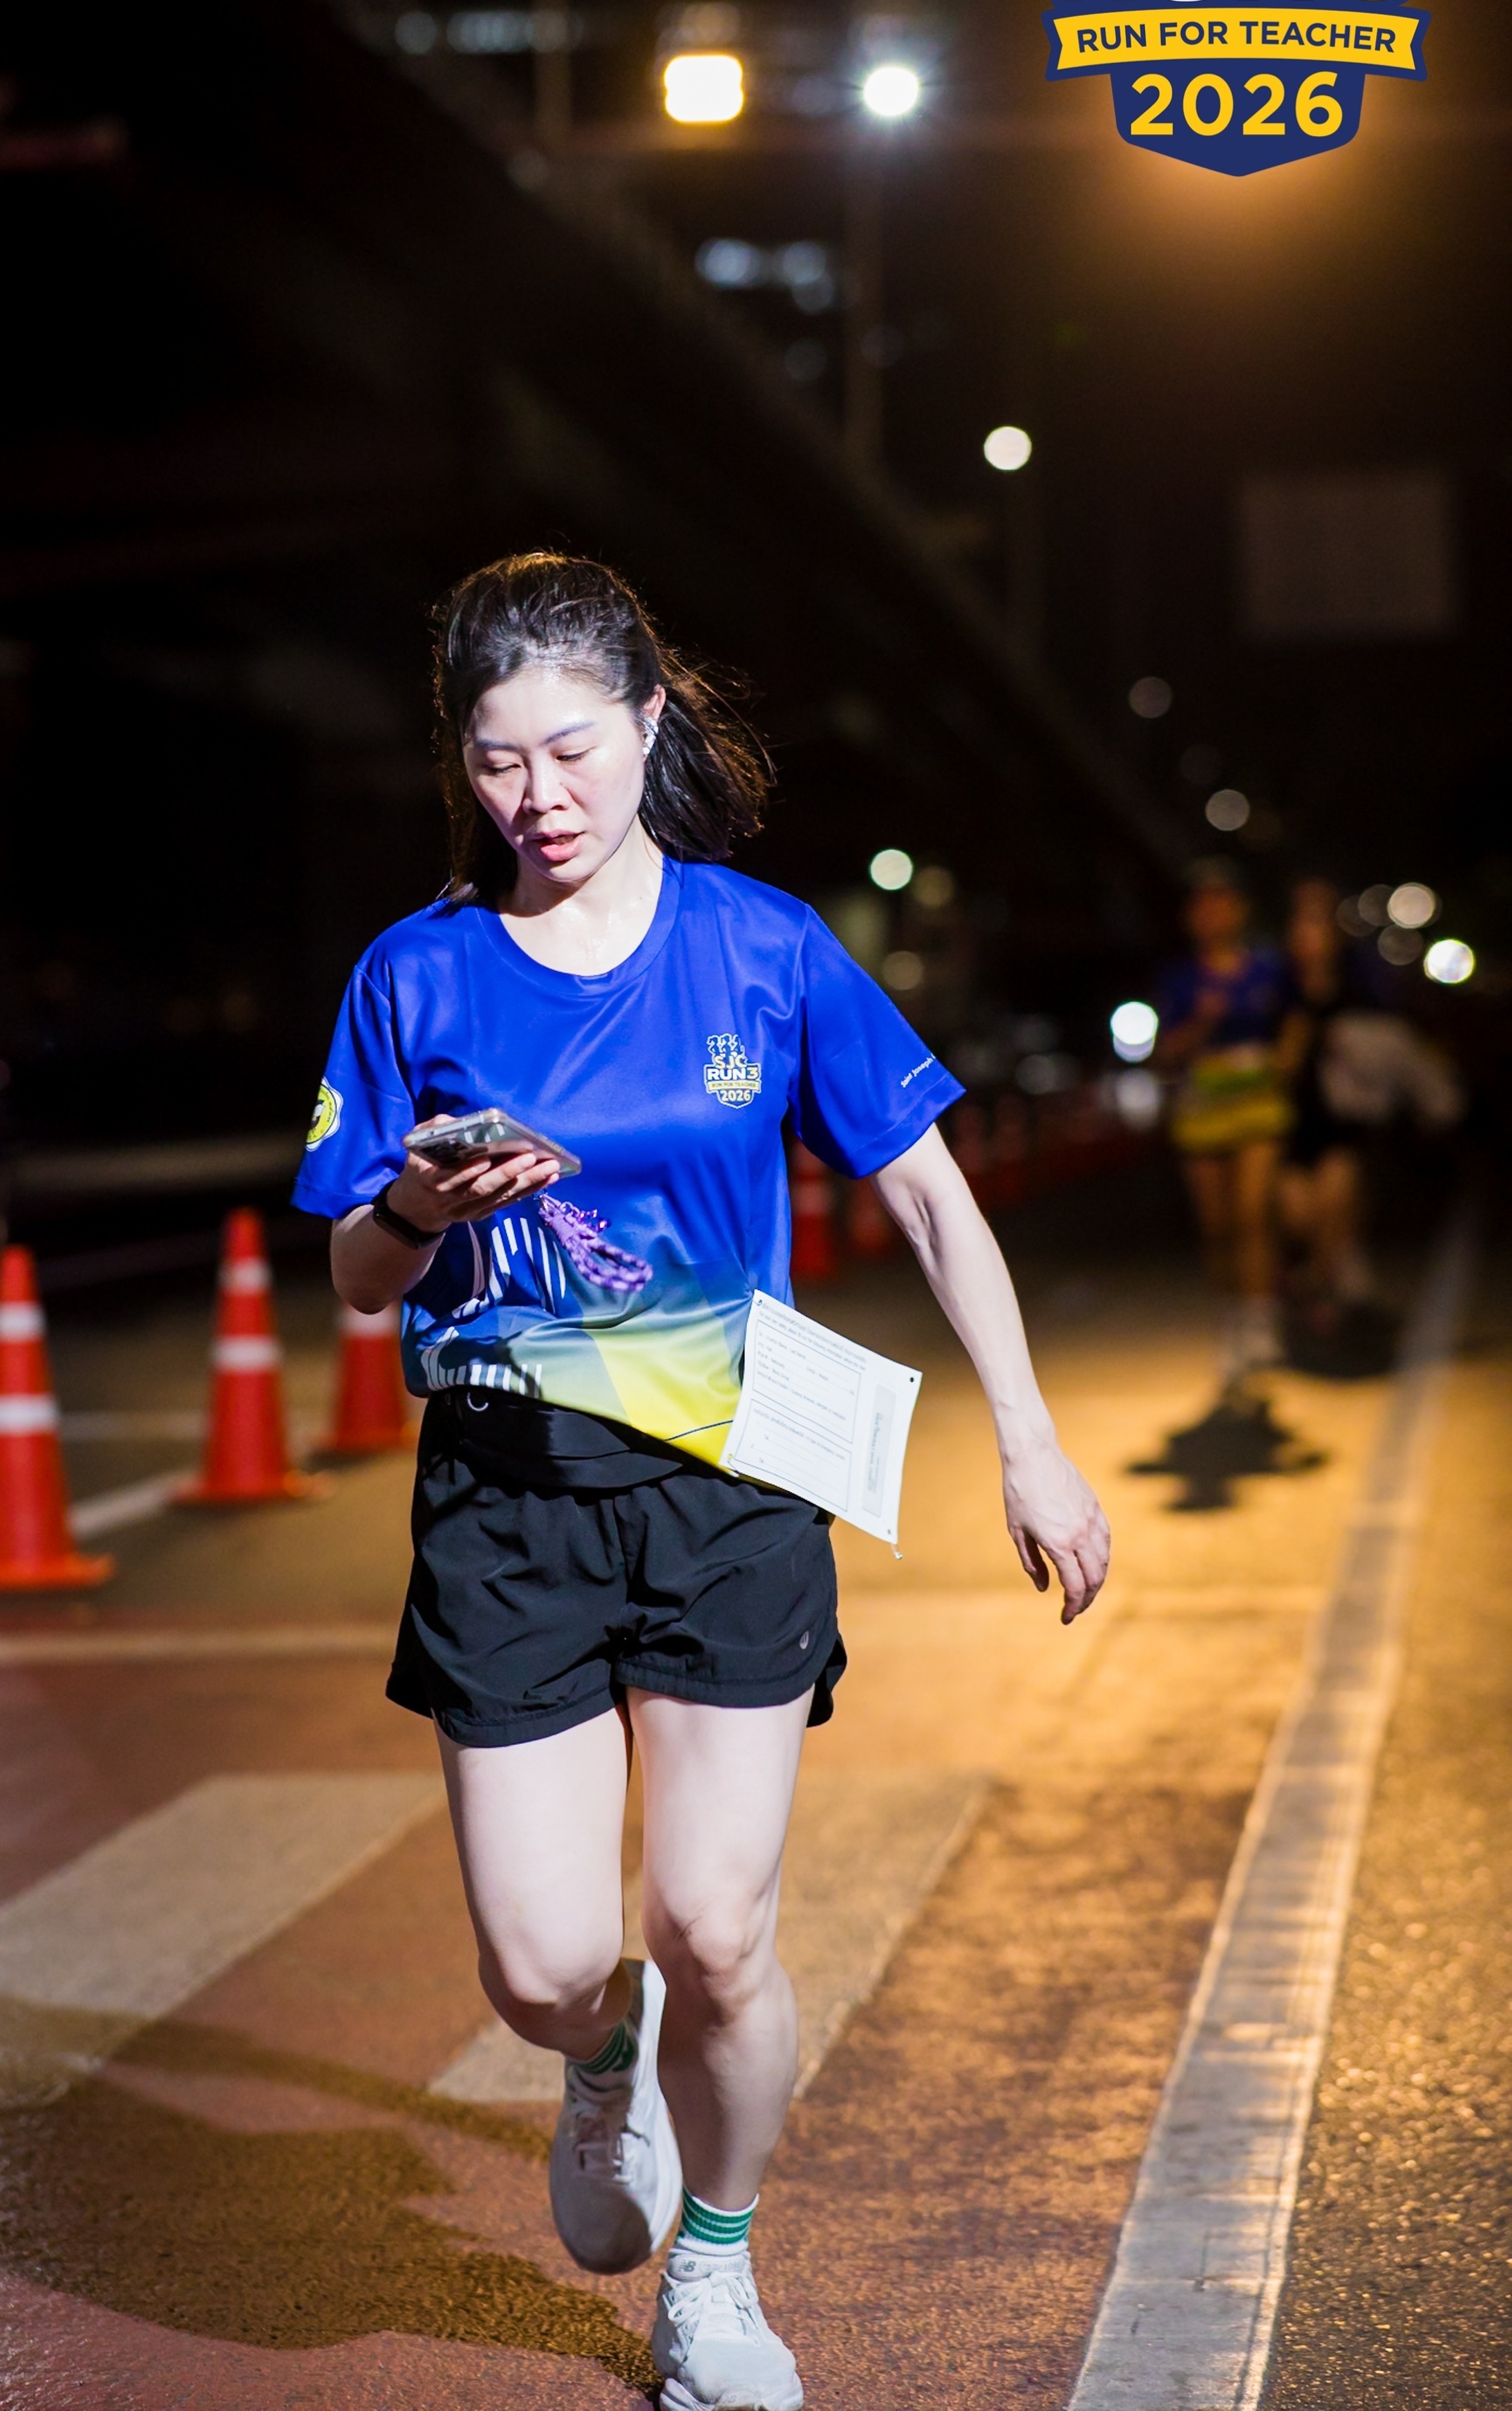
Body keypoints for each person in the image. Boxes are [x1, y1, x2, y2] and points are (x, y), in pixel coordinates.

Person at [292, 554, 1109, 2411]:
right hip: (505, 1497)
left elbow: (926, 1196)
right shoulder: (415, 972)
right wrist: (417, 1201)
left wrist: (1028, 1438)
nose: (538, 796)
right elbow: (351, 1275)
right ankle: (600, 2063)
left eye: (573, 749)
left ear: (648, 720)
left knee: (715, 1927)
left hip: (733, 1482)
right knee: (542, 1963)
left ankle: (716, 2277)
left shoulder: (762, 946)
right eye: (497, 760)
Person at [1155, 863, 1293, 1377]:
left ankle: (1261, 1320)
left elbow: (1295, 1022)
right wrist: (1202, 1022)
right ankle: (1232, 1318)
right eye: (1202, 904)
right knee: (1216, 1226)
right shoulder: (1180, 978)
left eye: (1223, 901)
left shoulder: (1268, 970)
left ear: (1241, 910)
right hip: (1203, 1110)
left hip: (1258, 1106)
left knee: (1253, 1214)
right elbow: (1165, 1055)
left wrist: (1286, 1058)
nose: (1212, 913)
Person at [1276, 877, 1376, 1332]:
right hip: (1289, 1125)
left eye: (1318, 923)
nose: (1309, 934)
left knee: (1335, 1204)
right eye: (1302, 923)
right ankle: (1316, 1283)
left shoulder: (1358, 989)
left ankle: (1324, 1297)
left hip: (1342, 1124)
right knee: (1300, 1218)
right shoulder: (1277, 990)